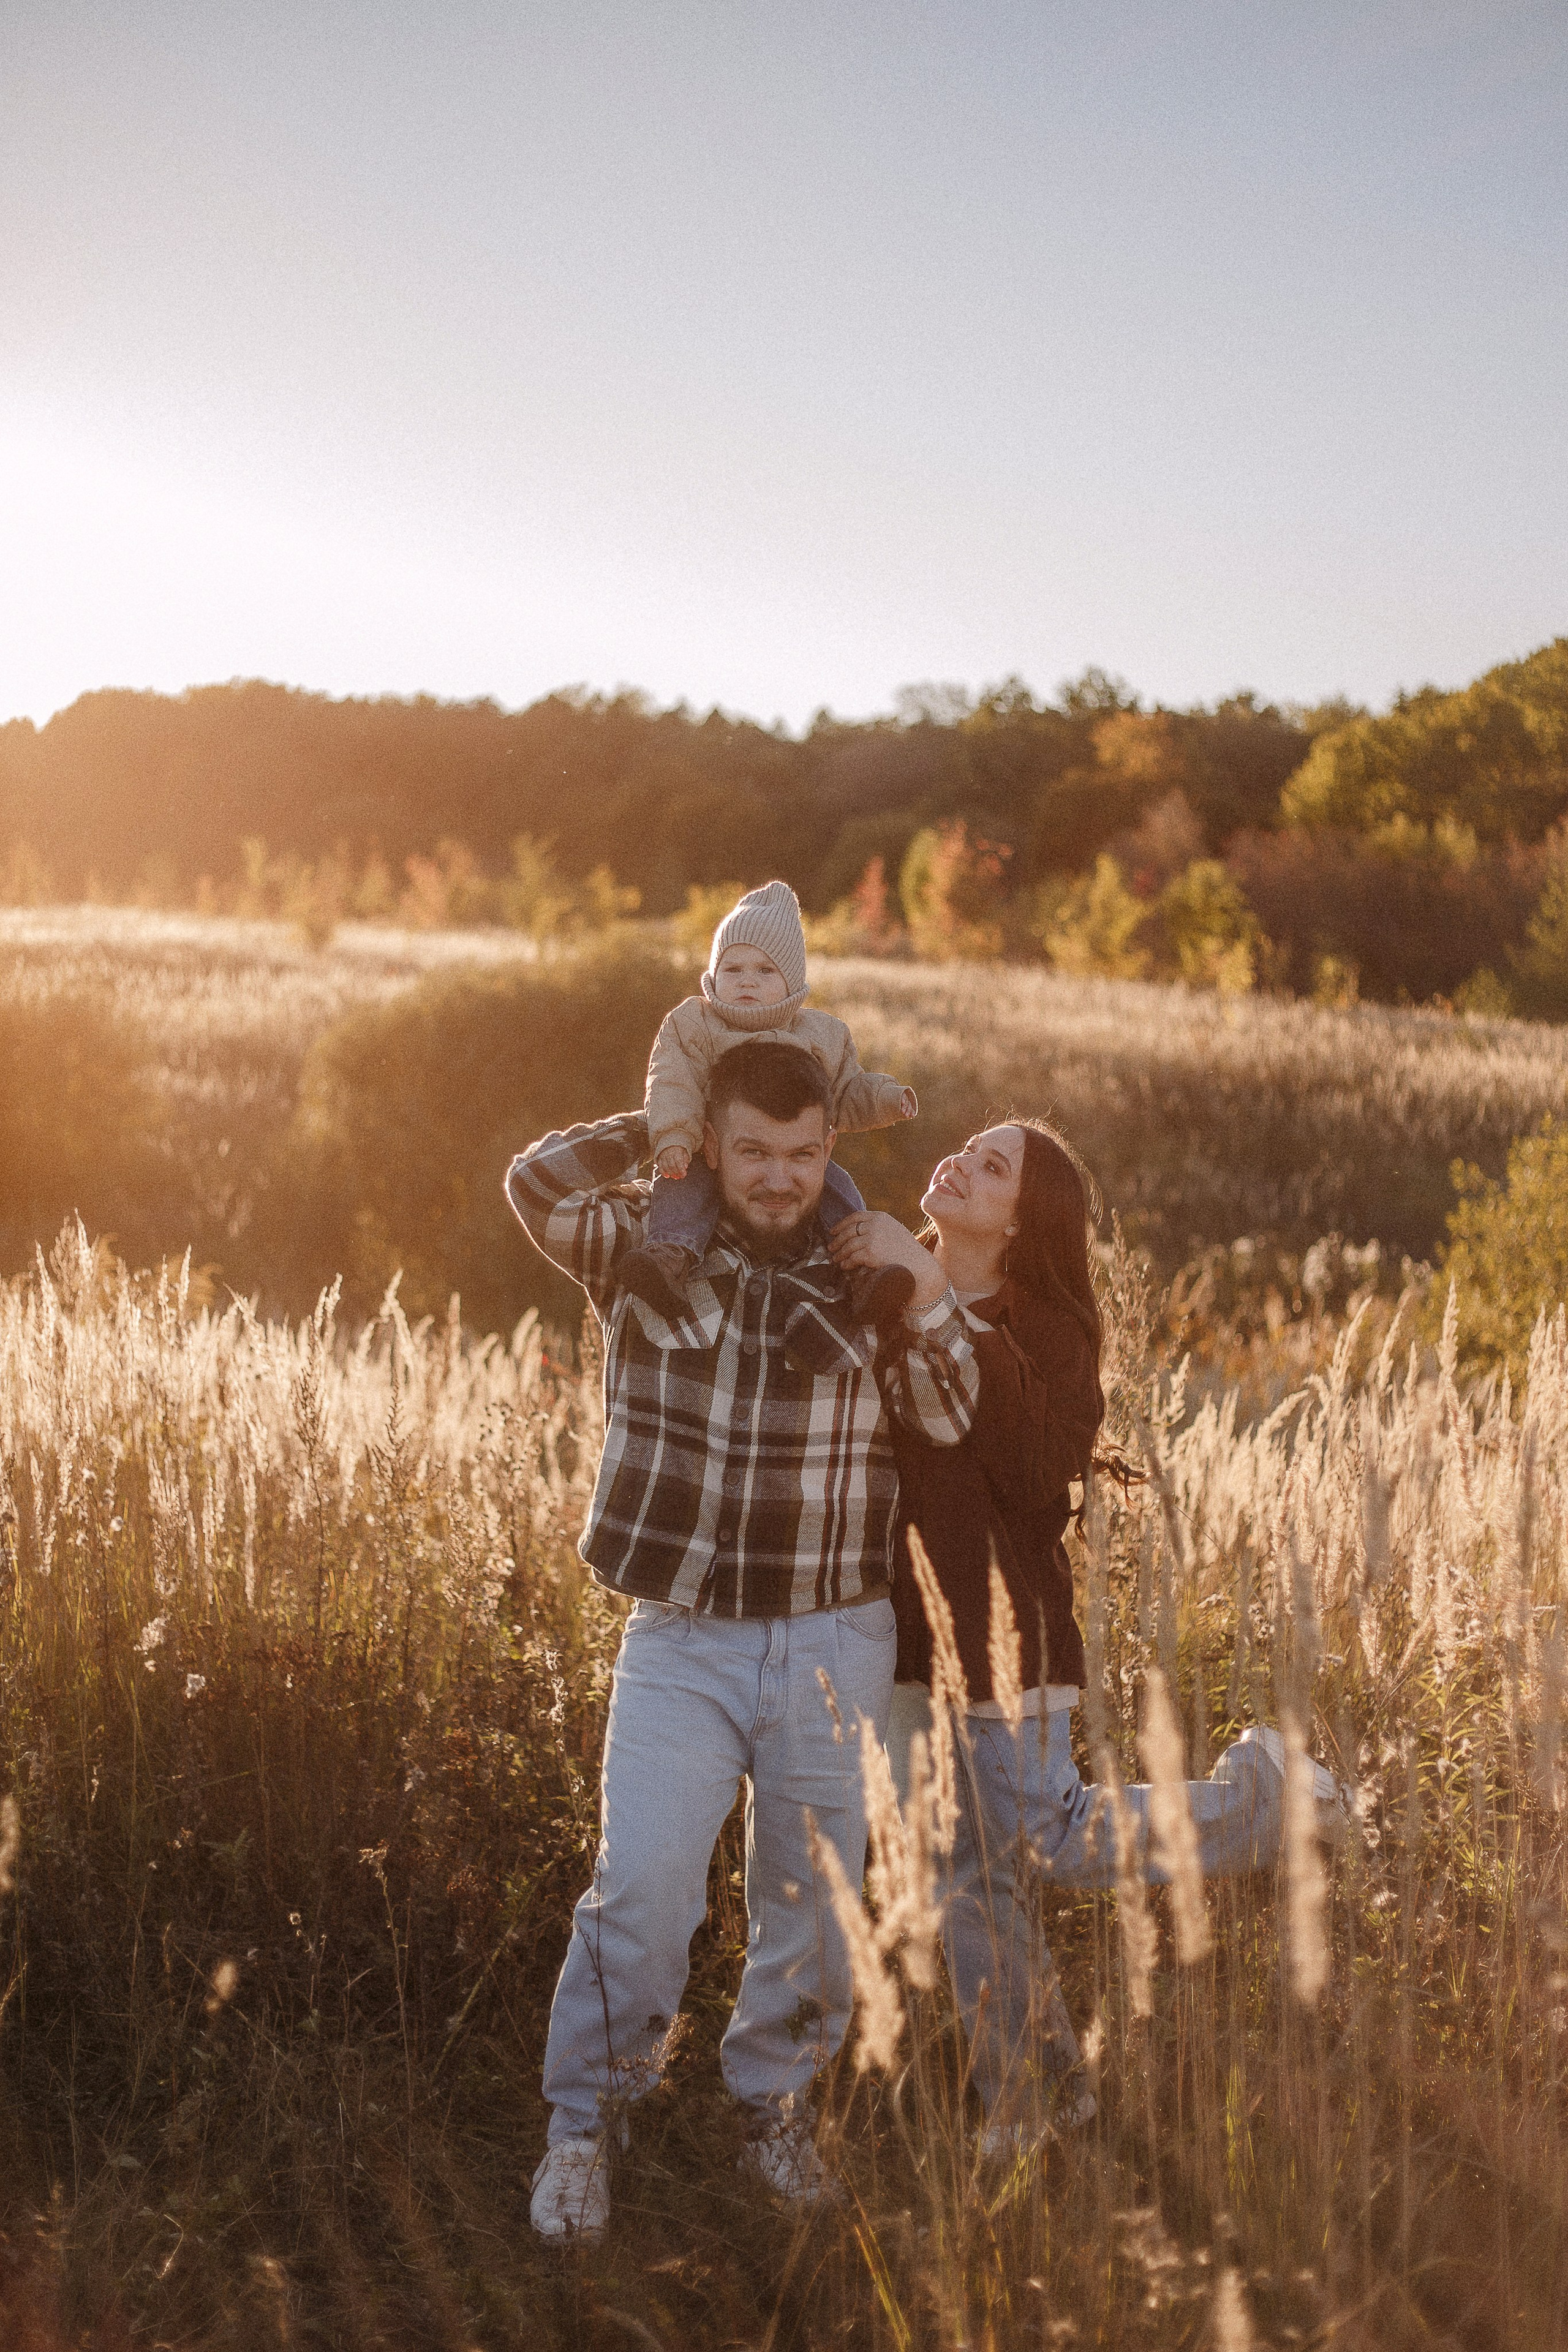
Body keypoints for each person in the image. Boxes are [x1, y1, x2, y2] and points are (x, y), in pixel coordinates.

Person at [506, 1041, 978, 2242]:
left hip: (835, 1636)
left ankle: (772, 2106)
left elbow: (949, 1409)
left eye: (803, 1154)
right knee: (645, 1893)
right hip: (683, 1642)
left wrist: (918, 1283)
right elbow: (538, 1181)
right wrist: (666, 1117)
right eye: (752, 1152)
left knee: (811, 1905)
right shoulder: (647, 1249)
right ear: (716, 1147)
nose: (777, 1179)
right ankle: (584, 2129)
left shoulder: (864, 1273)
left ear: (831, 1151)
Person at [832, 1121, 1344, 2158]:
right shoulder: (884, 1296)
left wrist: (930, 1297)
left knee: (1044, 1836)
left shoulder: (1048, 1334)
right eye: (967, 1147)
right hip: (893, 1642)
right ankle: (1037, 2096)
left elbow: (1028, 1469)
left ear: (1024, 1222)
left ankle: (1264, 1797)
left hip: (1002, 1639)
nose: (961, 1165)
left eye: (993, 1168)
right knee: (969, 1887)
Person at [617, 878, 919, 1342]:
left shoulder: (821, 1034)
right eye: (733, 968)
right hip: (707, 1146)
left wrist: (886, 1099)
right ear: (713, 974)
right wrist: (674, 1136)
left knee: (837, 1188)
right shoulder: (692, 1024)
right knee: (680, 1186)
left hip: (788, 1146)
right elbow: (670, 1081)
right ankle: (669, 1259)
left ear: (792, 983)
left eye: (764, 971)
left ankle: (863, 1276)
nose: (747, 982)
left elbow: (846, 1091)